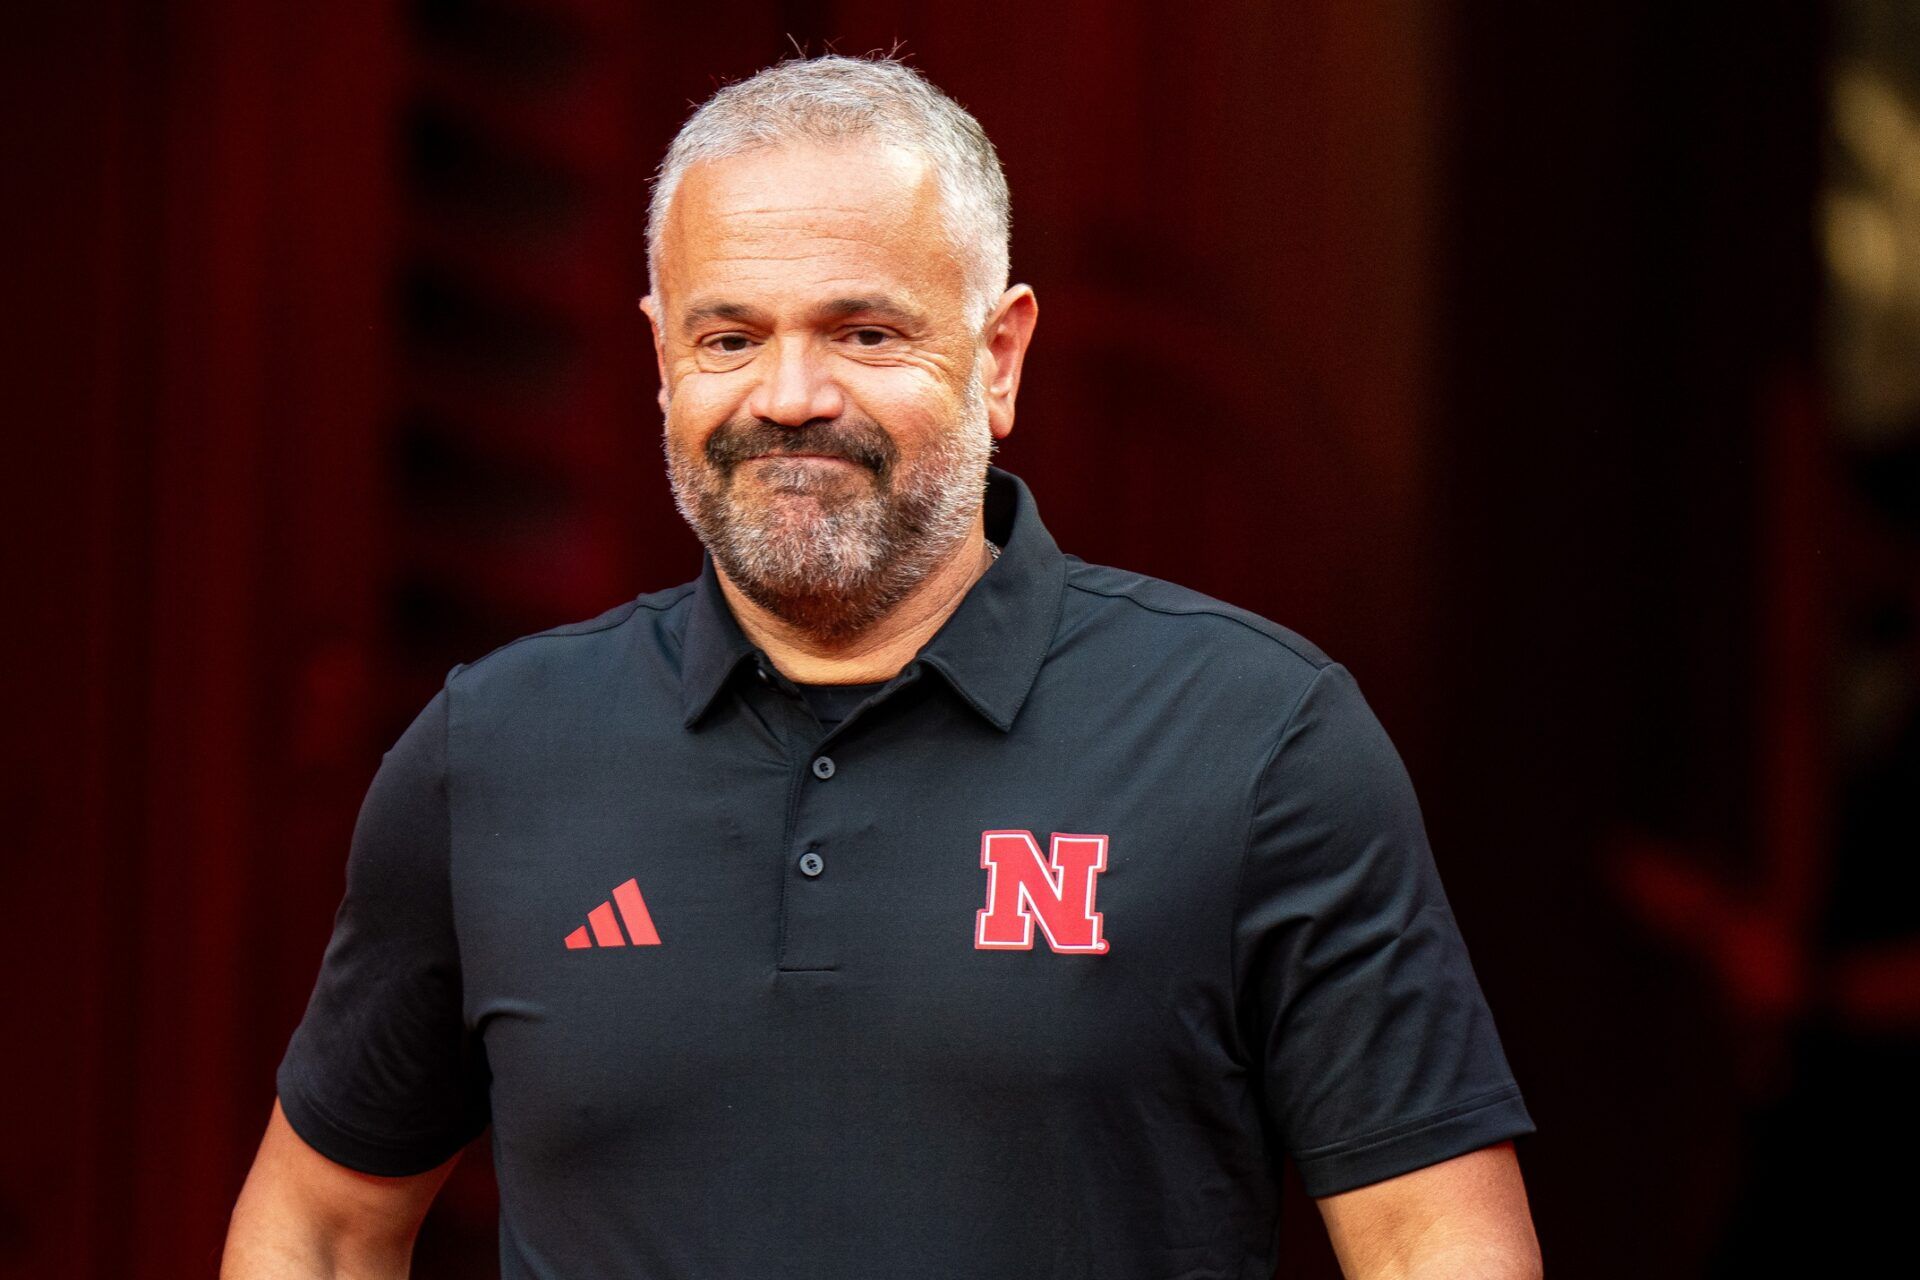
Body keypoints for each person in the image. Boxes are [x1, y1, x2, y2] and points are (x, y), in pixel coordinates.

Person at [223, 54, 1540, 1280]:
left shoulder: (1256, 743)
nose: (790, 395)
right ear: (660, 359)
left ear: (1001, 353)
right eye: (728, 337)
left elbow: (1435, 1240)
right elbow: (322, 1224)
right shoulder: (492, 754)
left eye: (863, 332)